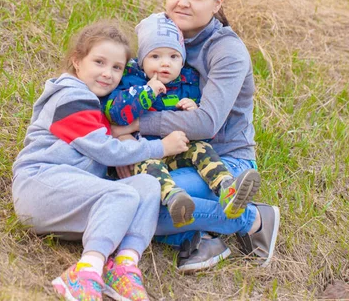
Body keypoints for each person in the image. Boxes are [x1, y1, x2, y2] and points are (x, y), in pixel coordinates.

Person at [112, 0, 281, 273]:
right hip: (163, 153)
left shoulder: (227, 51)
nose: (183, 2)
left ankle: (254, 219)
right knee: (119, 196)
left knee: (139, 204)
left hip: (222, 159)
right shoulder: (161, 37)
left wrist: (134, 124)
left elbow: (205, 123)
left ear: (218, 3)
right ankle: (202, 233)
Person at [11, 22, 189, 301]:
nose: (108, 73)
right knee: (122, 193)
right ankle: (85, 270)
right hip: (41, 186)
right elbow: (105, 151)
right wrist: (159, 147)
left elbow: (108, 144)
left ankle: (123, 266)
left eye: (117, 67)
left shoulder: (97, 104)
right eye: (99, 62)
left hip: (73, 194)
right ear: (77, 61)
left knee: (147, 186)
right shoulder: (70, 96)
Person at [102, 13, 261, 229]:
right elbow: (117, 113)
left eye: (173, 57)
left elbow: (203, 127)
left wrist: (193, 108)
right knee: (146, 179)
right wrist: (147, 92)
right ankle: (174, 197)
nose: (165, 64)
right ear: (142, 59)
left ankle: (226, 187)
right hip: (149, 152)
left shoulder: (187, 81)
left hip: (180, 151)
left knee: (202, 148)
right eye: (155, 56)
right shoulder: (133, 81)